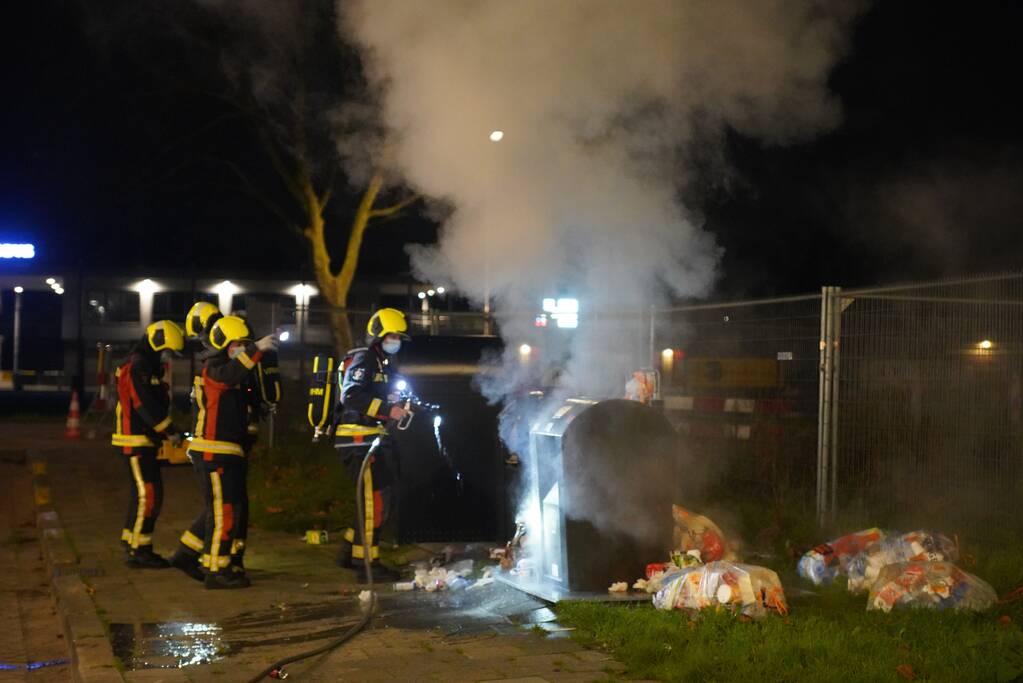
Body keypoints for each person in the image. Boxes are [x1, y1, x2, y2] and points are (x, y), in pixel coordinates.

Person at [186, 315, 278, 589]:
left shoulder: (231, 373)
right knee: (222, 512)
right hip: (214, 453)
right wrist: (256, 349)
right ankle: (216, 570)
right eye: (237, 344)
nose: (241, 348)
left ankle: (220, 562)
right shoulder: (214, 369)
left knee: (229, 511)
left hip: (226, 452)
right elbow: (229, 375)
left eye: (244, 344)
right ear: (224, 345)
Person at [333, 308, 410, 581]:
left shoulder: (380, 363)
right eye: (391, 336)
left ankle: (349, 552)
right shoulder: (364, 357)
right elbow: (351, 395)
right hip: (357, 441)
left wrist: (393, 401)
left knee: (370, 500)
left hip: (367, 438)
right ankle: (367, 564)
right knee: (373, 502)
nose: (395, 340)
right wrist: (388, 410)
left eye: (398, 336)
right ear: (378, 336)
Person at [111, 320, 184, 568]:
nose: (166, 357)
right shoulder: (138, 367)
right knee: (148, 495)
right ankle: (140, 551)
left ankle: (134, 543)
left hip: (141, 440)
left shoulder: (143, 365)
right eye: (165, 351)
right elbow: (145, 405)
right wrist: (169, 431)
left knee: (144, 495)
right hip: (135, 440)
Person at [169, 301, 223, 581]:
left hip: (207, 444)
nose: (203, 342)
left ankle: (190, 553)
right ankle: (203, 559)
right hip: (213, 445)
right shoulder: (216, 364)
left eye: (203, 335)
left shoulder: (210, 362)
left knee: (217, 506)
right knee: (219, 507)